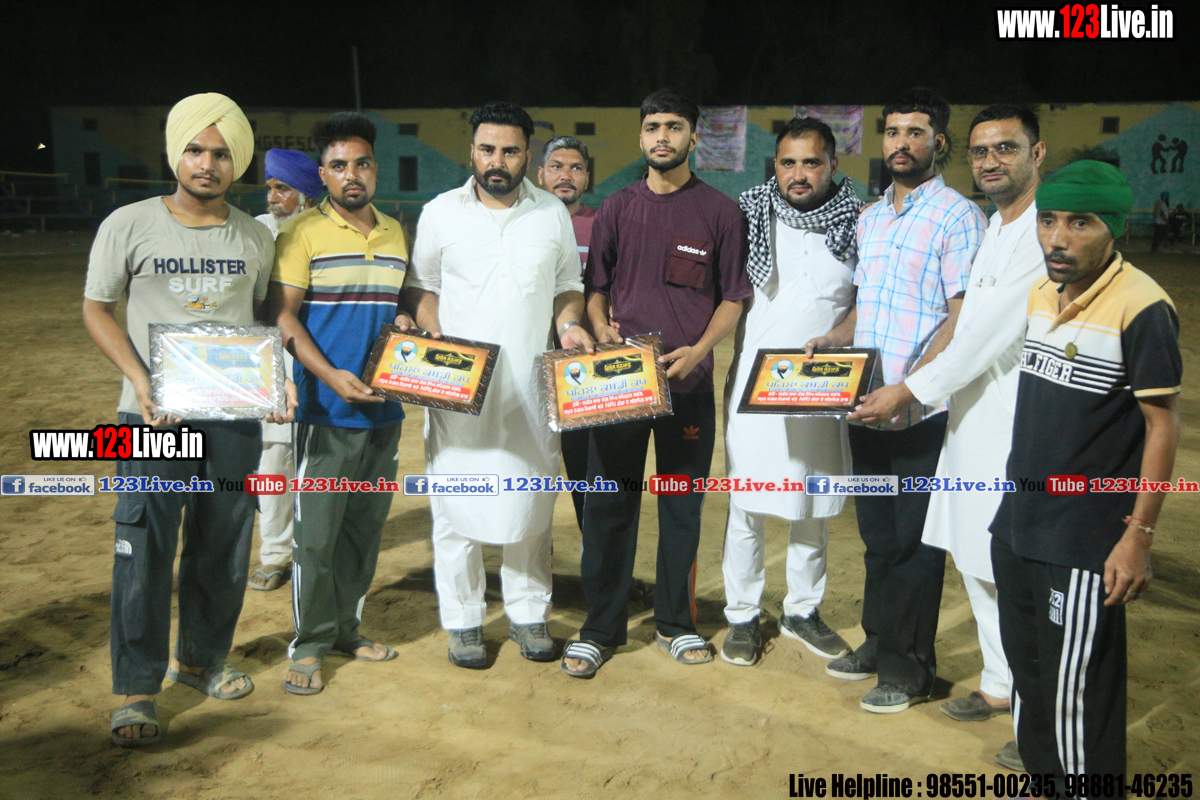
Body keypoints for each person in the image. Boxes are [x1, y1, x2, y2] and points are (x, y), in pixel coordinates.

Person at [83, 93, 292, 746]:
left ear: (238, 162)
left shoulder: (255, 236)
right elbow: (96, 308)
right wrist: (140, 379)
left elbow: (262, 319)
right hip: (151, 417)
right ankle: (137, 689)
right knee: (143, 545)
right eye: (196, 150)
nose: (208, 164)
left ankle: (201, 661)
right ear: (176, 154)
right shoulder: (130, 223)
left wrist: (274, 378)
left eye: (222, 153)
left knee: (223, 544)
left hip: (232, 417)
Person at [990, 159, 1181, 784]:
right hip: (1018, 520)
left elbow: (1161, 426)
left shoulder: (1143, 306)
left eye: (1080, 223)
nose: (1057, 238)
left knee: (1075, 689)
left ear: (1115, 227)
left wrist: (1137, 536)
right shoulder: (1041, 292)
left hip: (1082, 536)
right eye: (1048, 220)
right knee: (1029, 673)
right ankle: (1044, 784)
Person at [807, 88, 986, 713]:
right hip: (866, 406)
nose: (901, 143)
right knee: (879, 537)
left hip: (918, 414)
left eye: (915, 133)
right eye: (892, 132)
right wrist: (834, 339)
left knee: (913, 543)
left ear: (939, 142)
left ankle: (910, 670)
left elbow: (961, 318)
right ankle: (879, 642)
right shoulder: (872, 216)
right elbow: (867, 305)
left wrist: (907, 391)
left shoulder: (959, 217)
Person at [562, 88, 751, 677]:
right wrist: (600, 326)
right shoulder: (618, 208)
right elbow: (596, 289)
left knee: (681, 509)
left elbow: (734, 297)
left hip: (686, 387)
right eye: (652, 127)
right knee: (608, 506)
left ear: (694, 136)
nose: (661, 137)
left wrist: (700, 350)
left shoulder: (720, 212)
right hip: (620, 385)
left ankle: (676, 623)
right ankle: (600, 628)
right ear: (641, 136)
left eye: (673, 126)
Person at [404, 102, 592, 669]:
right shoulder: (440, 212)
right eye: (487, 149)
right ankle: (463, 620)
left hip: (530, 387)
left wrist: (570, 325)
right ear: (472, 151)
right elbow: (423, 286)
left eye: (510, 151)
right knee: (454, 504)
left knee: (530, 502)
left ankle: (529, 612)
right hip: (459, 389)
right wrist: (434, 334)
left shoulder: (550, 213)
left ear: (526, 156)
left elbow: (567, 284)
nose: (497, 161)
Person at [270, 112, 409, 694]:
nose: (352, 174)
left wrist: (406, 321)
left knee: (362, 530)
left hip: (386, 409)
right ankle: (309, 644)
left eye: (361, 163)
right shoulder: (301, 232)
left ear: (375, 168)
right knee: (316, 536)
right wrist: (329, 376)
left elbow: (399, 306)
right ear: (323, 174)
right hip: (325, 411)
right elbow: (281, 316)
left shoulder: (396, 231)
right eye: (338, 165)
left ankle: (347, 628)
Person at [718, 117, 861, 667]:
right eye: (787, 162)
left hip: (823, 385)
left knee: (813, 503)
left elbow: (865, 301)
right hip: (755, 384)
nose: (798, 174)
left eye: (811, 162)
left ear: (832, 165)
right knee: (746, 503)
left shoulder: (858, 221)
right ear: (774, 166)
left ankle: (802, 610)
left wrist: (838, 338)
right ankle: (741, 615)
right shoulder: (748, 215)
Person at [249, 148, 323, 592]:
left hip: (322, 361)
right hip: (272, 363)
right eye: (271, 188)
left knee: (319, 460)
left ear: (307, 197)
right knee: (274, 461)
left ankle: (314, 549)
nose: (273, 197)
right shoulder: (257, 233)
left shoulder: (327, 233)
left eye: (283, 189)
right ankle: (276, 553)